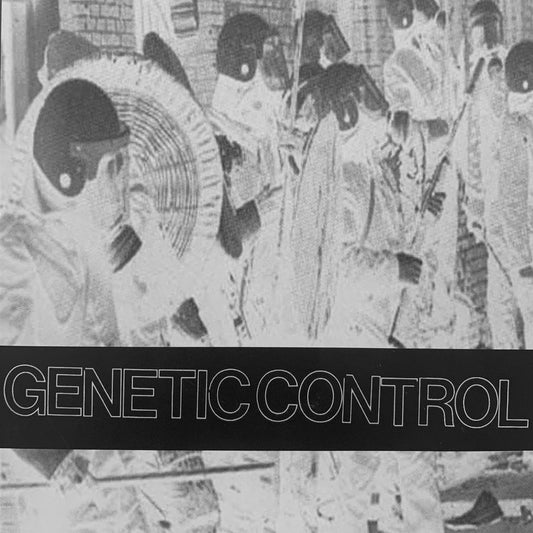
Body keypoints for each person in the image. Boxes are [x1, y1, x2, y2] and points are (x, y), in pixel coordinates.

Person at [0, 78, 134, 346]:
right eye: (109, 165)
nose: (118, 180)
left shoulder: (77, 217)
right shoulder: (16, 236)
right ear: (74, 163)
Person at [384, 0, 463, 350]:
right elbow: (399, 128)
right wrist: (434, 129)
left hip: (445, 167)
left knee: (444, 255)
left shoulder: (441, 54)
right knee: (418, 254)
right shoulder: (399, 62)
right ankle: (407, 338)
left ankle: (441, 332)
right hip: (418, 174)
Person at [458, 2, 525, 350]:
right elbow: (472, 144)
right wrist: (476, 200)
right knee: (504, 298)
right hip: (498, 202)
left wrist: (476, 200)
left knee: (511, 297)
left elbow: (478, 144)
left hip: (507, 200)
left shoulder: (499, 69)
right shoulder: (482, 73)